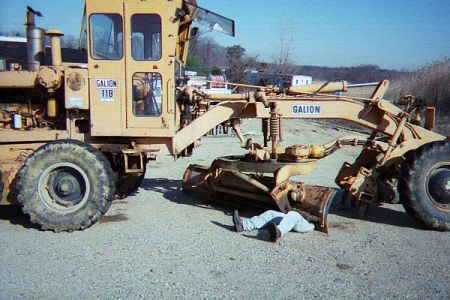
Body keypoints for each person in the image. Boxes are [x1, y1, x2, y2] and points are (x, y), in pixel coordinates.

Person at [232, 209, 315, 242]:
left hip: (307, 223)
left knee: (294, 214)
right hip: (290, 217)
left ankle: (278, 232)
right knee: (271, 213)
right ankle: (243, 225)